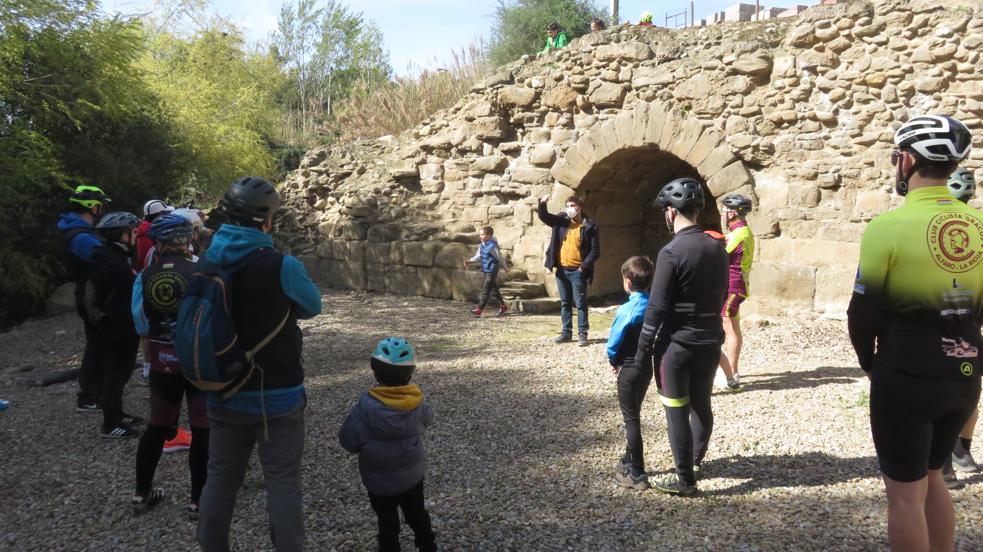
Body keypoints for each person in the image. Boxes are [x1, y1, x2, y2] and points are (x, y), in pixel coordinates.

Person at [847, 115, 979, 552]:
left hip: (905, 372)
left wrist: (869, 362)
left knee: (905, 495)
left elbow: (861, 313)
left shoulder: (886, 228)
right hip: (964, 374)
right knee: (935, 474)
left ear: (906, 160)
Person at [196, 176, 322, 552]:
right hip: (278, 393)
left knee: (219, 479)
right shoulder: (281, 265)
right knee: (283, 482)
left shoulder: (206, 261)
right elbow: (312, 306)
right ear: (267, 221)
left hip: (223, 388)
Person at [634, 178, 728, 497]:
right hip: (711, 340)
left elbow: (657, 307)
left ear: (671, 213)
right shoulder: (717, 245)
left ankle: (685, 479)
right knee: (701, 403)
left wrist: (641, 350)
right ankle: (696, 461)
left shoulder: (671, 251)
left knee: (676, 408)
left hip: (677, 345)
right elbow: (723, 294)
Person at [131, 214, 208, 516]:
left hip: (163, 361)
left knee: (157, 426)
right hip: (198, 362)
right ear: (187, 241)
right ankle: (198, 500)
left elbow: (139, 321)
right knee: (203, 430)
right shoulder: (201, 271)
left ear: (159, 243)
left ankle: (141, 492)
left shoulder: (145, 275)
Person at [339, 337, 436, 552]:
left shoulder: (363, 409)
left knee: (387, 522)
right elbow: (428, 420)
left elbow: (348, 442)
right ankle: (428, 545)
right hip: (412, 477)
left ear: (375, 373)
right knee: (417, 514)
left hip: (379, 482)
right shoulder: (418, 402)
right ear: (410, 374)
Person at [87, 211, 145, 438]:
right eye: (133, 232)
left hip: (114, 322)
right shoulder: (113, 262)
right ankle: (111, 424)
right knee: (117, 373)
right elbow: (131, 288)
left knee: (120, 371)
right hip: (118, 325)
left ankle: (117, 414)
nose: (136, 236)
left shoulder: (109, 256)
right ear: (123, 236)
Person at [58, 185, 111, 413]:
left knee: (99, 343)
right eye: (100, 206)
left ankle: (95, 391)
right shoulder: (81, 236)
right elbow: (106, 262)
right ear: (93, 207)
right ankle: (89, 395)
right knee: (98, 344)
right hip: (91, 295)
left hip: (88, 292)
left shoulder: (78, 230)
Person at [944, 166, 980, 487]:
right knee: (969, 387)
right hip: (970, 321)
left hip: (939, 319)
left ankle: (944, 462)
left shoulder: (928, 225)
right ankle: (961, 452)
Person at [608, 256, 655, 490]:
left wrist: (612, 358)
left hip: (629, 366)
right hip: (647, 366)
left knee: (631, 419)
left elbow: (615, 340)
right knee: (634, 411)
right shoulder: (653, 304)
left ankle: (637, 472)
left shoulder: (629, 308)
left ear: (627, 282)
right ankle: (629, 457)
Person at [538, 194, 600, 346]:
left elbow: (595, 250)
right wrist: (542, 204)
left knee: (580, 303)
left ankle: (582, 333)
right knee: (565, 302)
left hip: (577, 271)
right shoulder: (561, 220)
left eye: (574, 206)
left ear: (580, 208)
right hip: (561, 269)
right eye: (568, 206)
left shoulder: (589, 226)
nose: (571, 209)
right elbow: (545, 217)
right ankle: (566, 332)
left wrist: (583, 267)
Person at [718, 194, 754, 391]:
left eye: (724, 211)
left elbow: (720, 254)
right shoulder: (745, 231)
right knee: (733, 325)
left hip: (734, 285)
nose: (723, 215)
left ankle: (731, 373)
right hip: (739, 285)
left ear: (731, 213)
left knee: (728, 326)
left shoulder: (737, 234)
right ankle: (733, 369)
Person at [135, 200, 172, 387]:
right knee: (155, 329)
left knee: (146, 330)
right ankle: (155, 368)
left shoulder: (139, 231)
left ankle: (149, 368)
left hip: (141, 279)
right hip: (151, 280)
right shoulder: (153, 237)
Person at [464, 226, 509, 317]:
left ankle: (479, 309)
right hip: (486, 269)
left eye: (483, 235)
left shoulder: (492, 246)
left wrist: (505, 267)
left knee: (486, 290)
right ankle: (503, 306)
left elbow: (499, 257)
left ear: (489, 236)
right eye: (480, 235)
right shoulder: (482, 245)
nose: (480, 236)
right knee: (494, 289)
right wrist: (470, 261)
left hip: (492, 269)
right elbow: (479, 256)